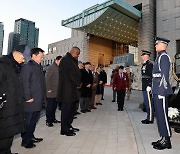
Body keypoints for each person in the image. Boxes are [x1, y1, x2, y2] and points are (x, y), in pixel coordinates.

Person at [0, 45, 28, 154]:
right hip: (4, 110)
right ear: (16, 53)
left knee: (9, 136)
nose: (24, 60)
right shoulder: (3, 65)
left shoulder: (15, 66)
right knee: (3, 137)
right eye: (24, 57)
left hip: (13, 108)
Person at [20, 48, 46, 148]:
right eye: (41, 56)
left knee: (34, 121)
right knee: (28, 122)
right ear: (34, 56)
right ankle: (25, 141)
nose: (42, 58)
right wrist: (27, 97)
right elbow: (24, 83)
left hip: (38, 99)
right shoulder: (28, 67)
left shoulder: (38, 67)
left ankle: (31, 136)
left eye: (43, 57)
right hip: (30, 100)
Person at [151, 37, 173, 150]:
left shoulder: (163, 57)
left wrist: (161, 91)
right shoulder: (159, 57)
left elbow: (164, 76)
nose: (155, 46)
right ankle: (163, 137)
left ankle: (167, 140)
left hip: (161, 91)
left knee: (163, 115)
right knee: (159, 115)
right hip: (157, 90)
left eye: (157, 44)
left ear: (163, 45)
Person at [57, 47, 81, 136]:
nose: (77, 56)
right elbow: (70, 75)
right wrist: (78, 83)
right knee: (66, 110)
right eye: (77, 54)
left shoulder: (72, 60)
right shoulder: (66, 60)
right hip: (66, 90)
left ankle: (69, 125)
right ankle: (64, 129)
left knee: (71, 110)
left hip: (72, 89)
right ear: (73, 52)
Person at [45, 56, 62, 127]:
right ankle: (48, 120)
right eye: (61, 61)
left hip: (56, 91)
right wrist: (48, 89)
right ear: (56, 60)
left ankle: (53, 118)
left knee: (54, 106)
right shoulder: (51, 67)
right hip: (51, 91)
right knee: (50, 107)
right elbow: (46, 79)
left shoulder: (58, 68)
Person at [140, 50, 154, 124]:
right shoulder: (144, 64)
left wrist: (149, 85)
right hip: (144, 86)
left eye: (143, 55)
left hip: (147, 86)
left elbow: (151, 75)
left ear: (147, 56)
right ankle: (148, 117)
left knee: (149, 102)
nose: (141, 56)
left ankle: (150, 119)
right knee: (146, 102)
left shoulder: (149, 64)